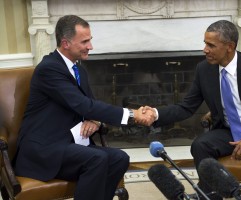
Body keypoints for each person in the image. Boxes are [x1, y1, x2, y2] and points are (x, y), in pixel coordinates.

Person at [142, 20, 241, 200]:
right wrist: (155, 114)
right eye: (205, 43)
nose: (205, 49)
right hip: (230, 130)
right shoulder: (204, 69)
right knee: (200, 145)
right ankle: (210, 197)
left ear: (229, 47)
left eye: (211, 45)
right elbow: (186, 107)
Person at [13, 15, 155, 200]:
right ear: (65, 43)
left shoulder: (79, 70)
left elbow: (91, 106)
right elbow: (83, 105)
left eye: (90, 40)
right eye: (85, 41)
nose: (91, 46)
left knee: (120, 158)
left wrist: (95, 120)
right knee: (97, 159)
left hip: (69, 144)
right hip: (44, 149)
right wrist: (131, 114)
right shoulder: (49, 69)